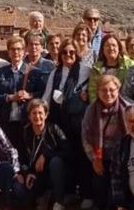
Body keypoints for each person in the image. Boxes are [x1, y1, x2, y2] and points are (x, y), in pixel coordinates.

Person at [44, 42, 92, 209]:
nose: (68, 55)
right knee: (63, 157)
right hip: (60, 122)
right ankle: (64, 195)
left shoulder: (85, 70)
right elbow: (47, 96)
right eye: (64, 52)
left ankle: (86, 194)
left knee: (83, 157)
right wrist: (43, 115)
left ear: (77, 53)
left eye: (72, 52)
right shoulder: (55, 73)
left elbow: (90, 91)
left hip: (79, 122)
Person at [82, 74, 131, 210]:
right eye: (103, 90)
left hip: (124, 155)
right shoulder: (91, 110)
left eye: (111, 90)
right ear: (98, 92)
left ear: (118, 90)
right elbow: (85, 137)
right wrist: (94, 158)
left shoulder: (128, 107)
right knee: (100, 184)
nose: (108, 93)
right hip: (101, 156)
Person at [16, 99, 71, 210]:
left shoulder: (54, 129)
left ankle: (59, 201)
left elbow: (67, 151)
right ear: (29, 116)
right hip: (35, 174)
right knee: (20, 192)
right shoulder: (25, 132)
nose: (37, 116)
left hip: (53, 173)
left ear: (46, 115)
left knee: (56, 162)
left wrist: (46, 155)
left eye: (40, 113)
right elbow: (20, 157)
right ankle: (45, 196)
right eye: (34, 113)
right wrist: (27, 173)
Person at [0, 36, 31, 152]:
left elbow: (41, 95)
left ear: (24, 52)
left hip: (26, 120)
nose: (16, 52)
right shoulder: (1, 72)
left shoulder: (33, 72)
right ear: (8, 52)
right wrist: (10, 97)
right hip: (6, 121)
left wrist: (29, 95)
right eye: (13, 49)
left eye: (19, 49)